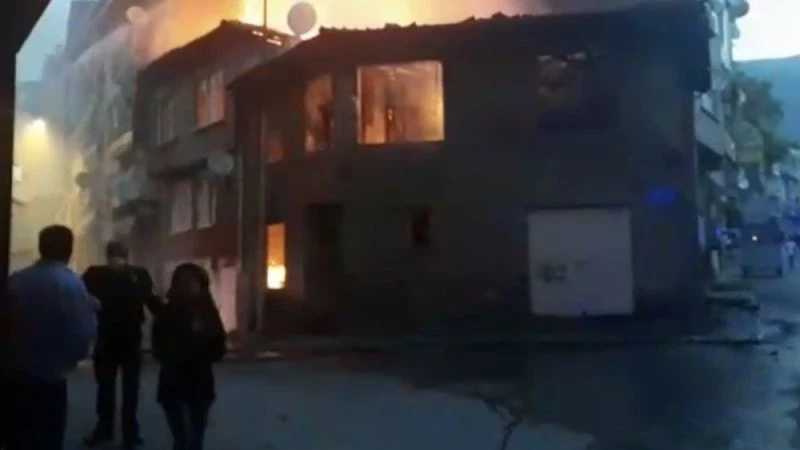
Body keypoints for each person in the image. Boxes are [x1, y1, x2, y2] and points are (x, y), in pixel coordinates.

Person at [0, 225, 97, 450]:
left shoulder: (17, 280)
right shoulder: (71, 284)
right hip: (50, 380)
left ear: (40, 247)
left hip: (15, 377)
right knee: (47, 439)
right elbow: (81, 335)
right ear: (69, 250)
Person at [82, 241, 157, 449]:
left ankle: (105, 429)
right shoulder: (140, 274)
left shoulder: (94, 274)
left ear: (107, 255)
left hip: (105, 336)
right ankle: (130, 433)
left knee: (105, 386)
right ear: (127, 255)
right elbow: (151, 301)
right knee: (130, 388)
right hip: (131, 338)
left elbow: (81, 299)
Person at [151, 263, 226, 450]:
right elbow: (158, 349)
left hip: (194, 383)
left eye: (191, 283)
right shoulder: (171, 313)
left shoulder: (205, 314)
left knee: (190, 439)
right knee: (186, 439)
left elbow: (218, 348)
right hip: (179, 382)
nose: (188, 288)